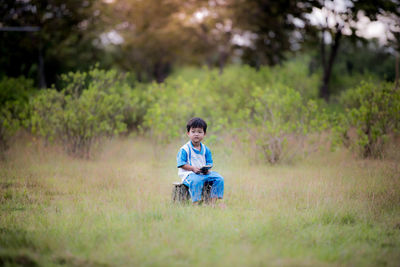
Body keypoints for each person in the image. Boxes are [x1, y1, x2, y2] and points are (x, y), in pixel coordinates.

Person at [177, 117, 225, 206]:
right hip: (189, 174)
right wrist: (192, 168)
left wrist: (206, 169)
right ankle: (195, 202)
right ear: (188, 133)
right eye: (193, 131)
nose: (196, 134)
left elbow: (209, 163)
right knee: (196, 181)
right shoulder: (185, 149)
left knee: (219, 178)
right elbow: (181, 164)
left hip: (203, 173)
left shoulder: (205, 149)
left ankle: (212, 202)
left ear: (204, 134)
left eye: (199, 132)